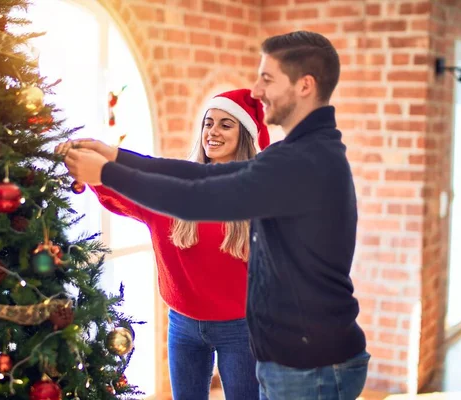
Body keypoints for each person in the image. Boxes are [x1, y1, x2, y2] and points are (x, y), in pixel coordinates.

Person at [59, 31, 369, 400]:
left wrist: (107, 172)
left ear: (304, 86)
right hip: (296, 357)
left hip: (309, 363)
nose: (256, 89)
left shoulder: (299, 162)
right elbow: (201, 175)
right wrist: (114, 157)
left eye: (267, 78)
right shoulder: (297, 152)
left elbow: (197, 197)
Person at [61, 89, 269, 400]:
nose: (212, 132)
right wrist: (88, 169)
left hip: (241, 328)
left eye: (226, 125)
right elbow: (127, 192)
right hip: (183, 324)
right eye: (208, 123)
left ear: (245, 137)